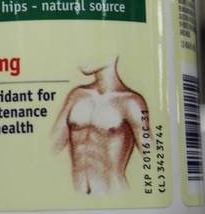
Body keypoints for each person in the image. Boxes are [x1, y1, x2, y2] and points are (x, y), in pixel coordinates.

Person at [53, 56, 149, 194]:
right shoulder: (76, 96)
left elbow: (154, 159)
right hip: (77, 198)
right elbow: (51, 148)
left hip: (115, 197)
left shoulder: (131, 102)